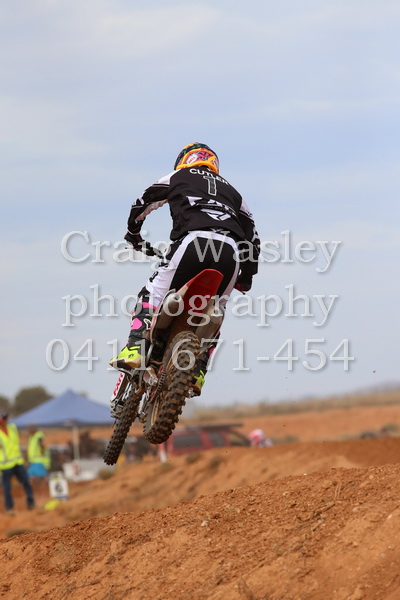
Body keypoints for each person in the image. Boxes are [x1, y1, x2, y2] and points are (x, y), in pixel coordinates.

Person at [109, 143, 260, 415]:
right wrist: (246, 277)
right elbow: (253, 238)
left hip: (193, 242)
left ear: (184, 160)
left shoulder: (178, 176)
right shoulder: (235, 194)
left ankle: (134, 348)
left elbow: (143, 202)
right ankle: (198, 371)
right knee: (216, 313)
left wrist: (133, 233)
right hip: (230, 253)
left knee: (151, 293)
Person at [0, 412, 35, 515]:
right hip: (5, 465)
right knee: (7, 487)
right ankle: (9, 509)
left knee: (26, 481)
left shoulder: (12, 428)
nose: (6, 420)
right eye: (4, 418)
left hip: (17, 461)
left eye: (6, 417)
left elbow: (18, 437)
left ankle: (31, 504)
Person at [27, 426, 51, 496]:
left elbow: (42, 444)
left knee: (41, 478)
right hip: (33, 461)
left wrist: (42, 452)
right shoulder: (31, 438)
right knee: (32, 478)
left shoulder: (38, 435)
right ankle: (35, 494)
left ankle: (44, 494)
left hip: (39, 461)